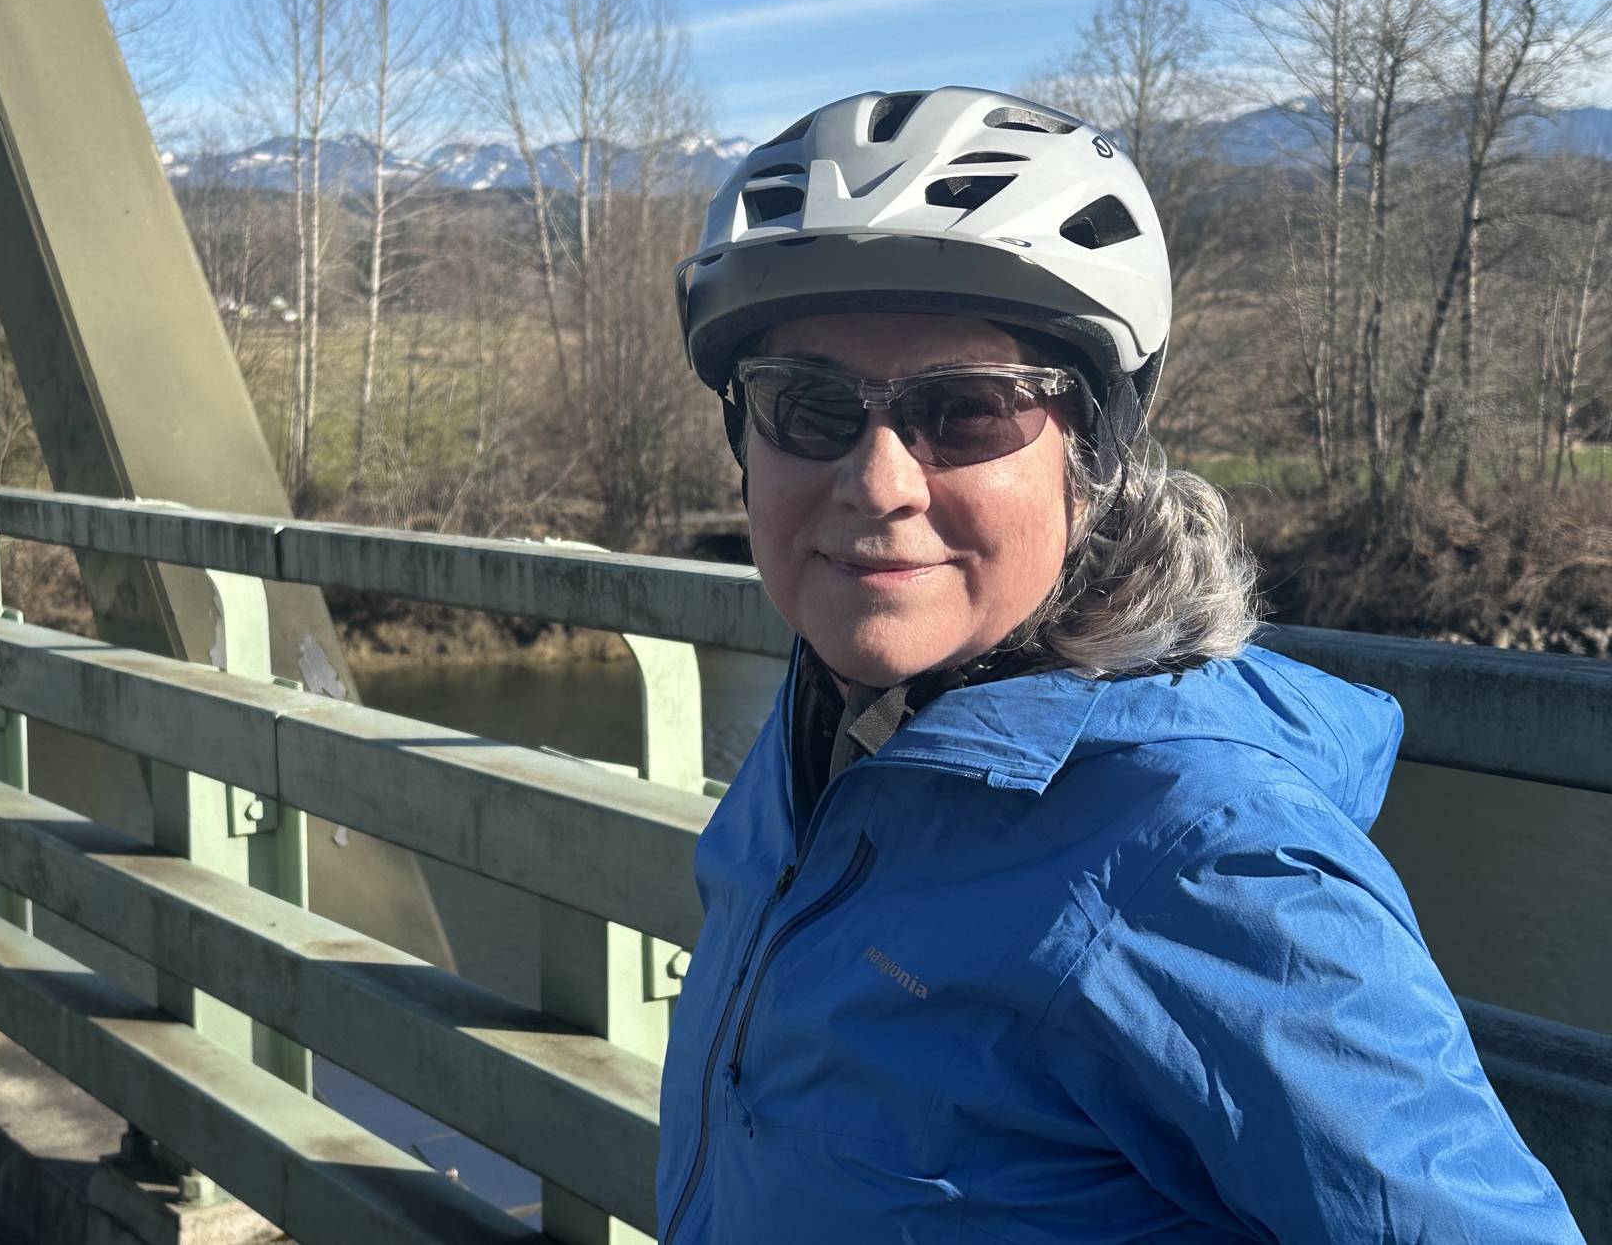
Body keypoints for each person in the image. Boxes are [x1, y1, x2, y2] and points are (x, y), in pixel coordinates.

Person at [657, 86, 1582, 1243]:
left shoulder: (1208, 855)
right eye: (805, 407)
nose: (879, 482)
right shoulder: (832, 721)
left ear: (1087, 458)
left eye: (965, 409)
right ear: (743, 442)